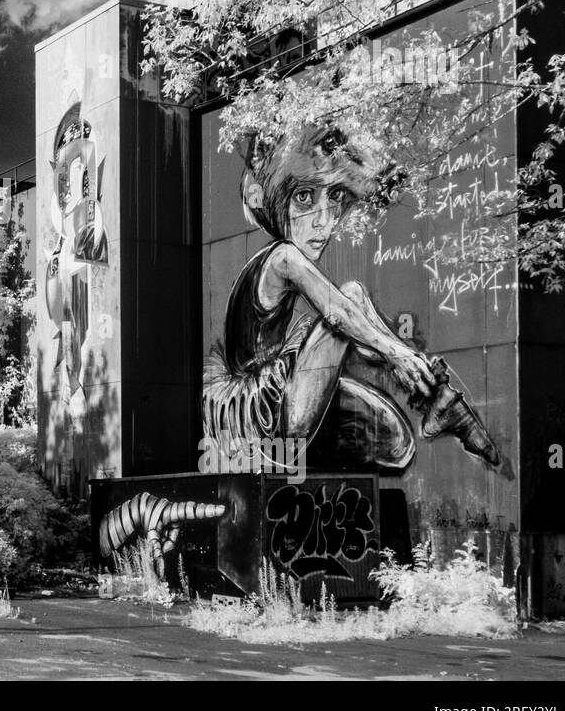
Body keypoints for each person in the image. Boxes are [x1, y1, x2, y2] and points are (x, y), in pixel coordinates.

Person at [202, 124, 504, 472]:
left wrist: (395, 359)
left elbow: (357, 340)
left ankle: (433, 398)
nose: (323, 222)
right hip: (266, 419)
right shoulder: (283, 258)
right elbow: (338, 313)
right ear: (273, 201)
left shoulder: (278, 260)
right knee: (349, 298)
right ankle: (436, 398)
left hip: (284, 400)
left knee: (395, 442)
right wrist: (399, 354)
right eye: (304, 198)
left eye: (334, 199)